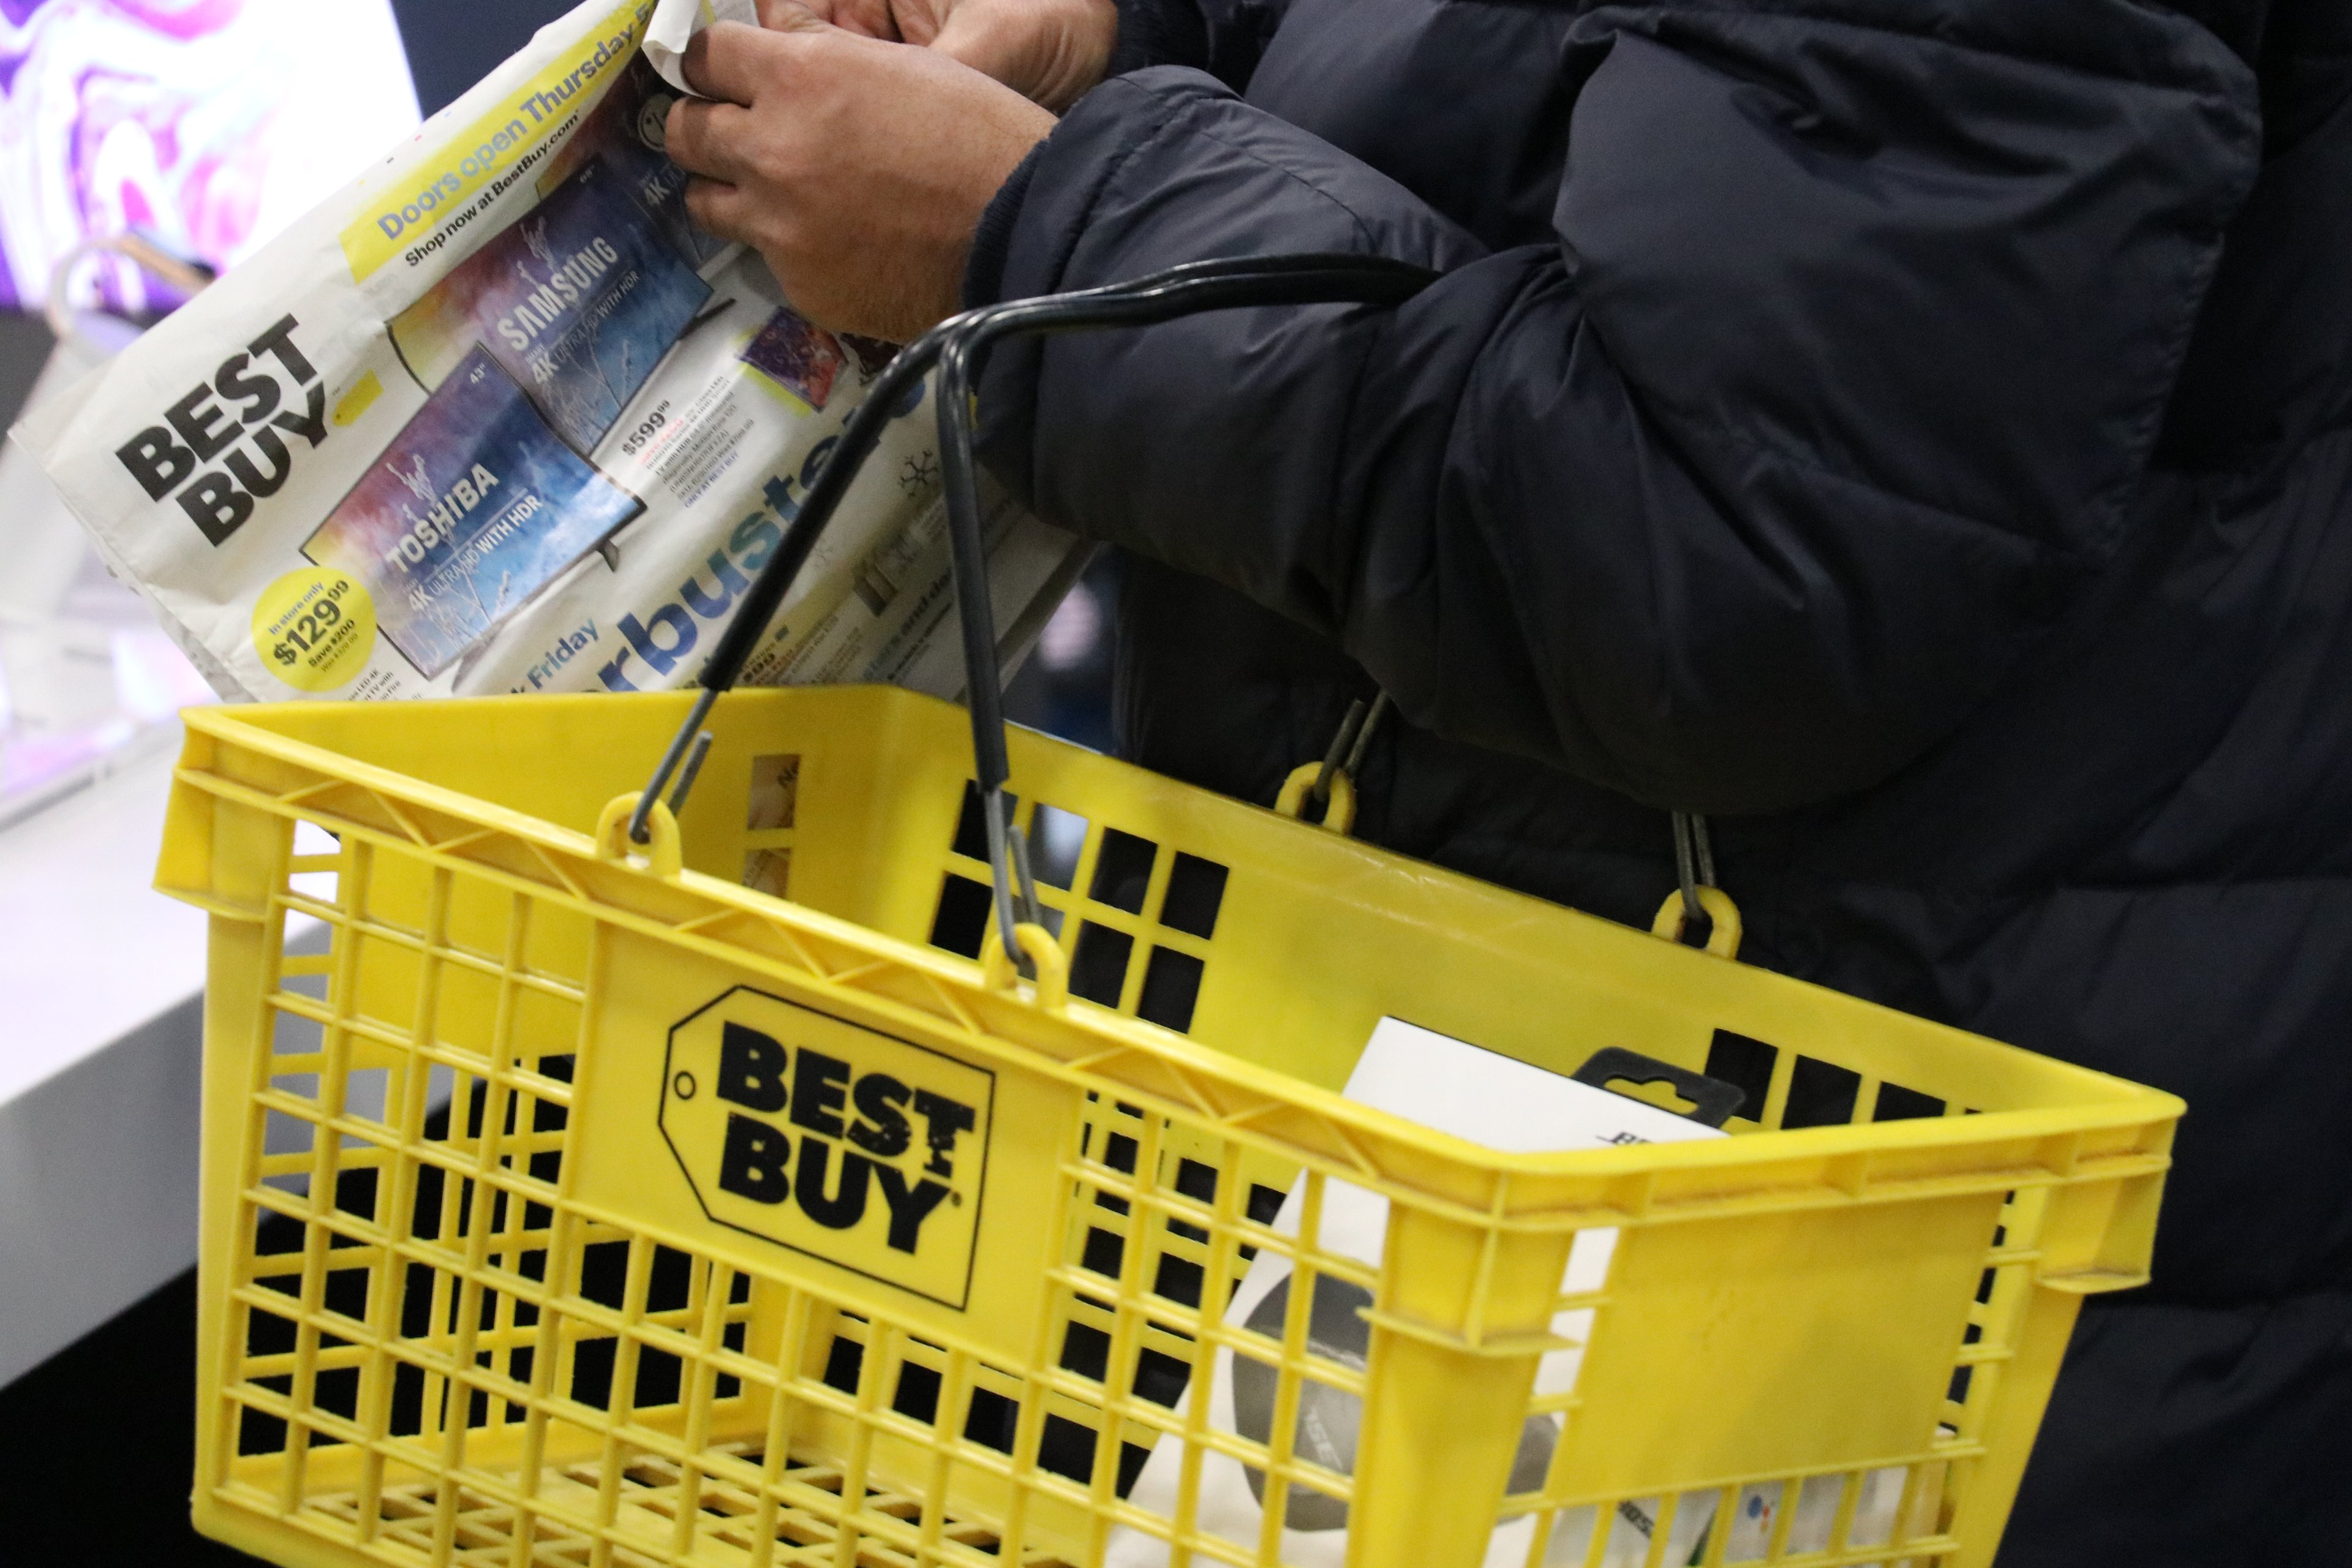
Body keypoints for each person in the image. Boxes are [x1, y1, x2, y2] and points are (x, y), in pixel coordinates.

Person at [663, 1, 2351, 1560]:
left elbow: (1726, 562)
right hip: (1444, 1097)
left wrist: (1042, 229)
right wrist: (1131, 30)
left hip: (1837, 1196)